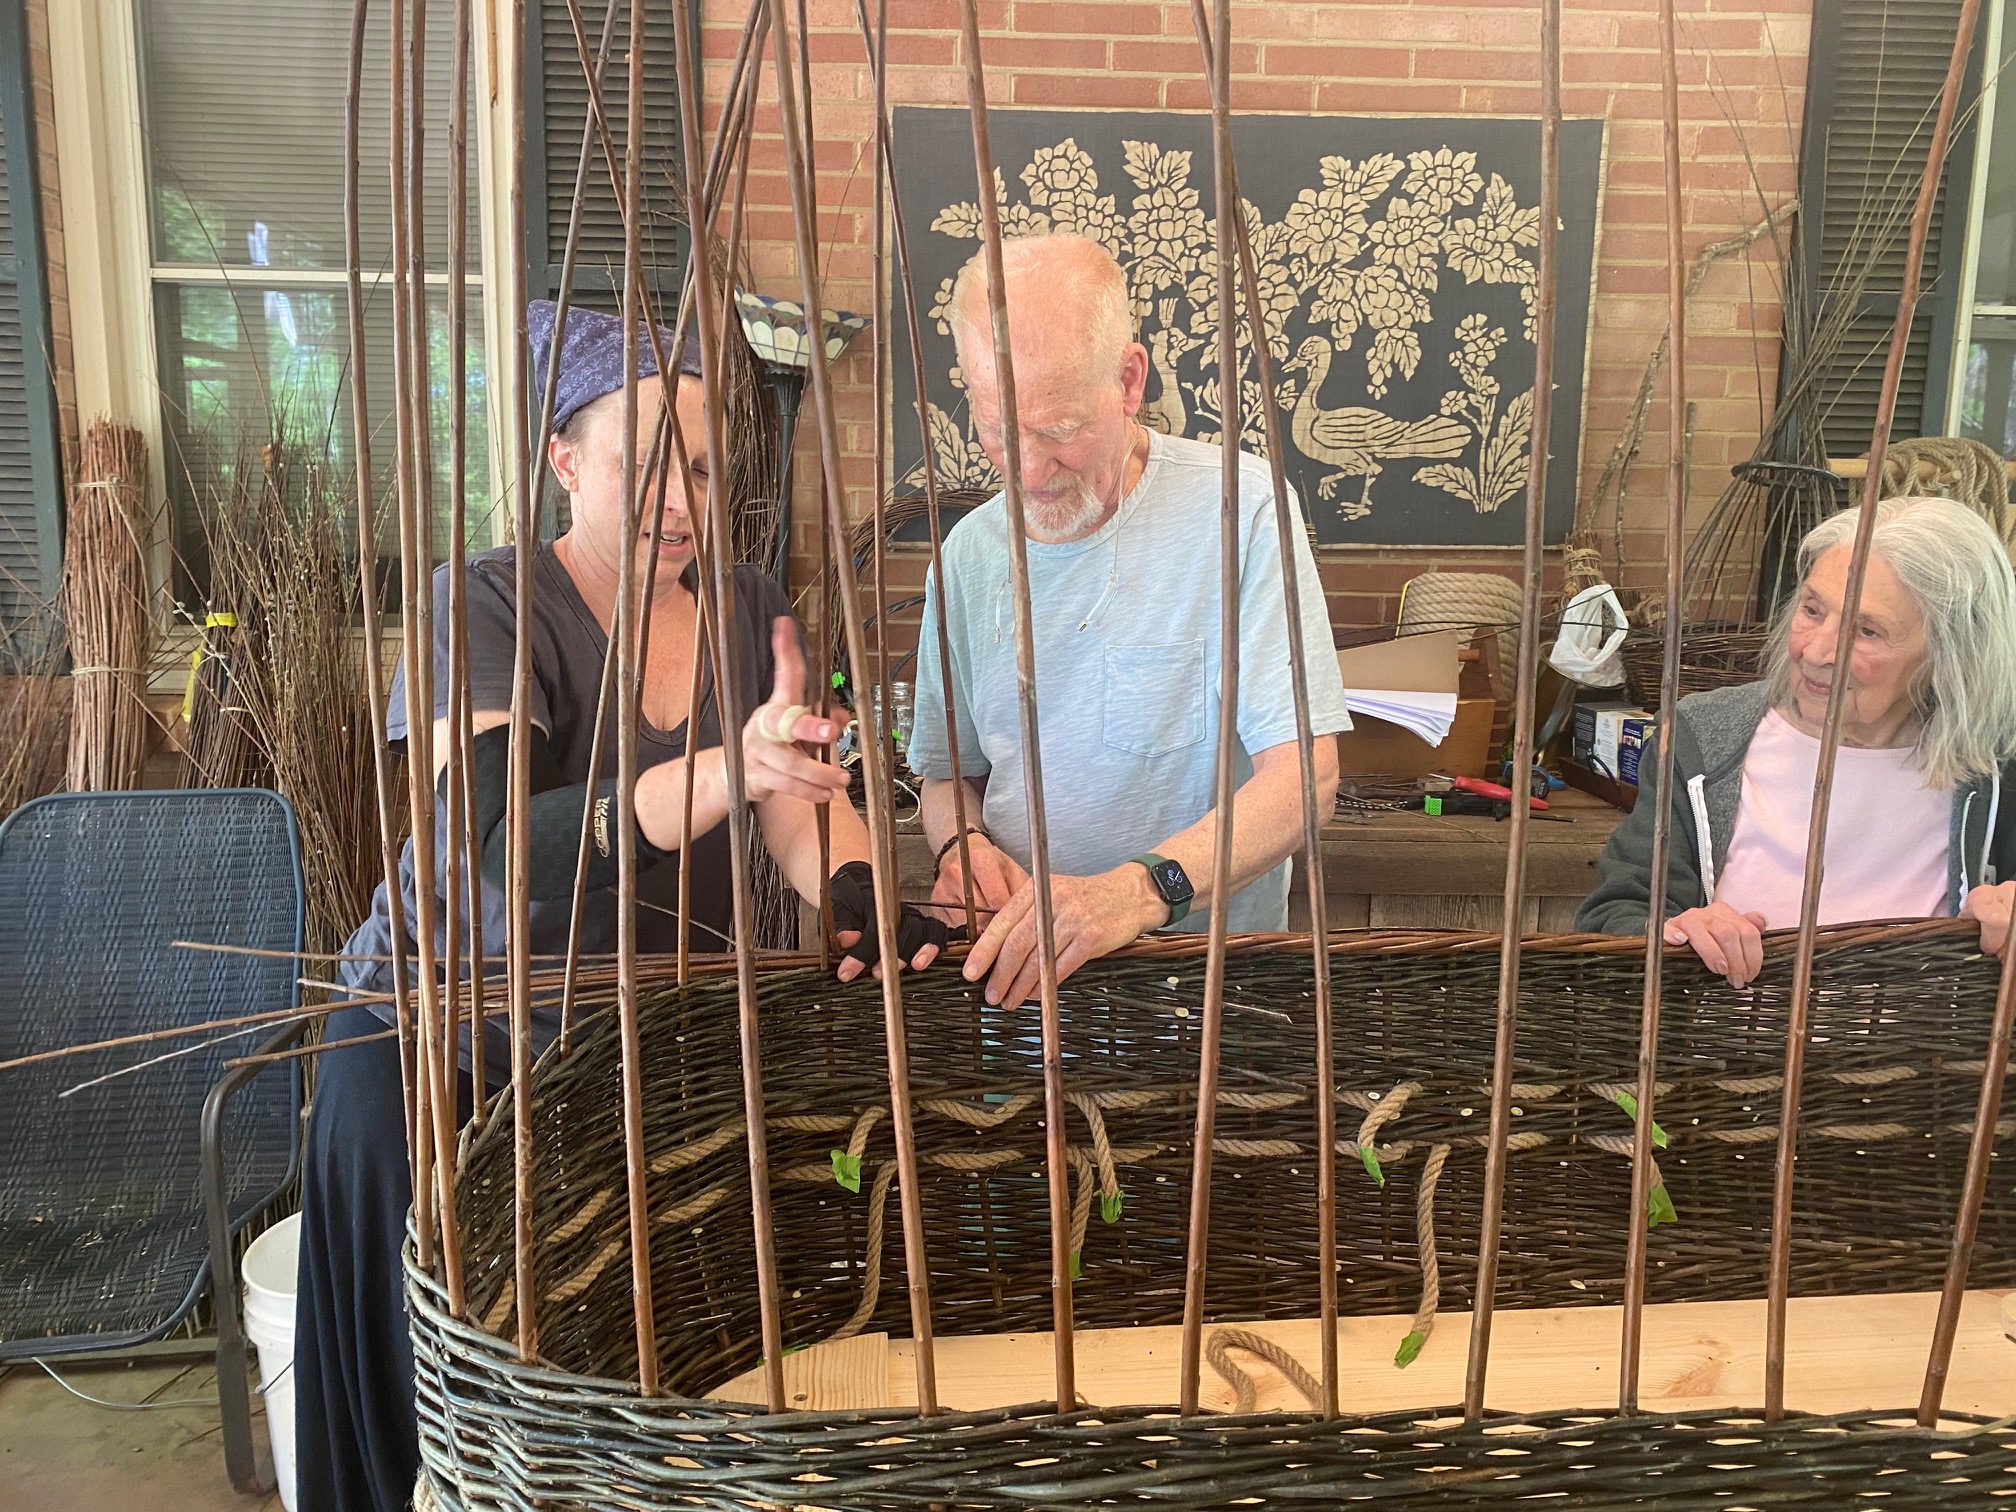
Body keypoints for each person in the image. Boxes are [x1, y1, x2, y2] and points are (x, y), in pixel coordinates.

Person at [293, 302, 945, 1512]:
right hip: (444, 1043)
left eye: (699, 467)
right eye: (643, 465)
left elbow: (791, 799)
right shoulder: (483, 603)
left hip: (624, 1043)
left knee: (600, 1379)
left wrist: (858, 889)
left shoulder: (749, 607)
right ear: (562, 460)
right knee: (432, 1386)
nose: (682, 498)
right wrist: (729, 769)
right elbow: (500, 846)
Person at [907, 233, 1351, 1011]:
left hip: (1213, 997)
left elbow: (1305, 782)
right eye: (997, 429)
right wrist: (960, 845)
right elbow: (947, 776)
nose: (1029, 472)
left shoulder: (1241, 510)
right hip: (1024, 991)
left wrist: (1137, 895)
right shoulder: (969, 557)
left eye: (1058, 430)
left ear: (1128, 379)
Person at [1577, 495, 2016, 984]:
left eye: (1866, 631)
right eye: (1812, 609)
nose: (1817, 650)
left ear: (1952, 654)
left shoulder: (1999, 763)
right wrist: (1671, 931)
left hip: (1930, 1059)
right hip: (1724, 1057)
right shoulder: (1702, 738)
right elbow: (1615, 914)